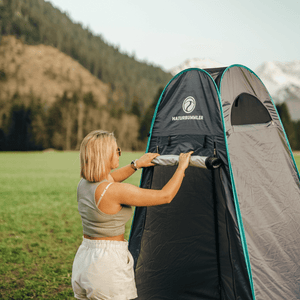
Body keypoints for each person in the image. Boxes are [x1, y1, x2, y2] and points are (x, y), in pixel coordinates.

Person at [71, 130, 193, 300]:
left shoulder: (84, 185)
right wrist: (181, 167)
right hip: (107, 266)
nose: (119, 153)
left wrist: (136, 164)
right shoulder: (115, 191)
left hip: (84, 260)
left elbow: (110, 179)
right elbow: (165, 196)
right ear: (105, 155)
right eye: (116, 150)